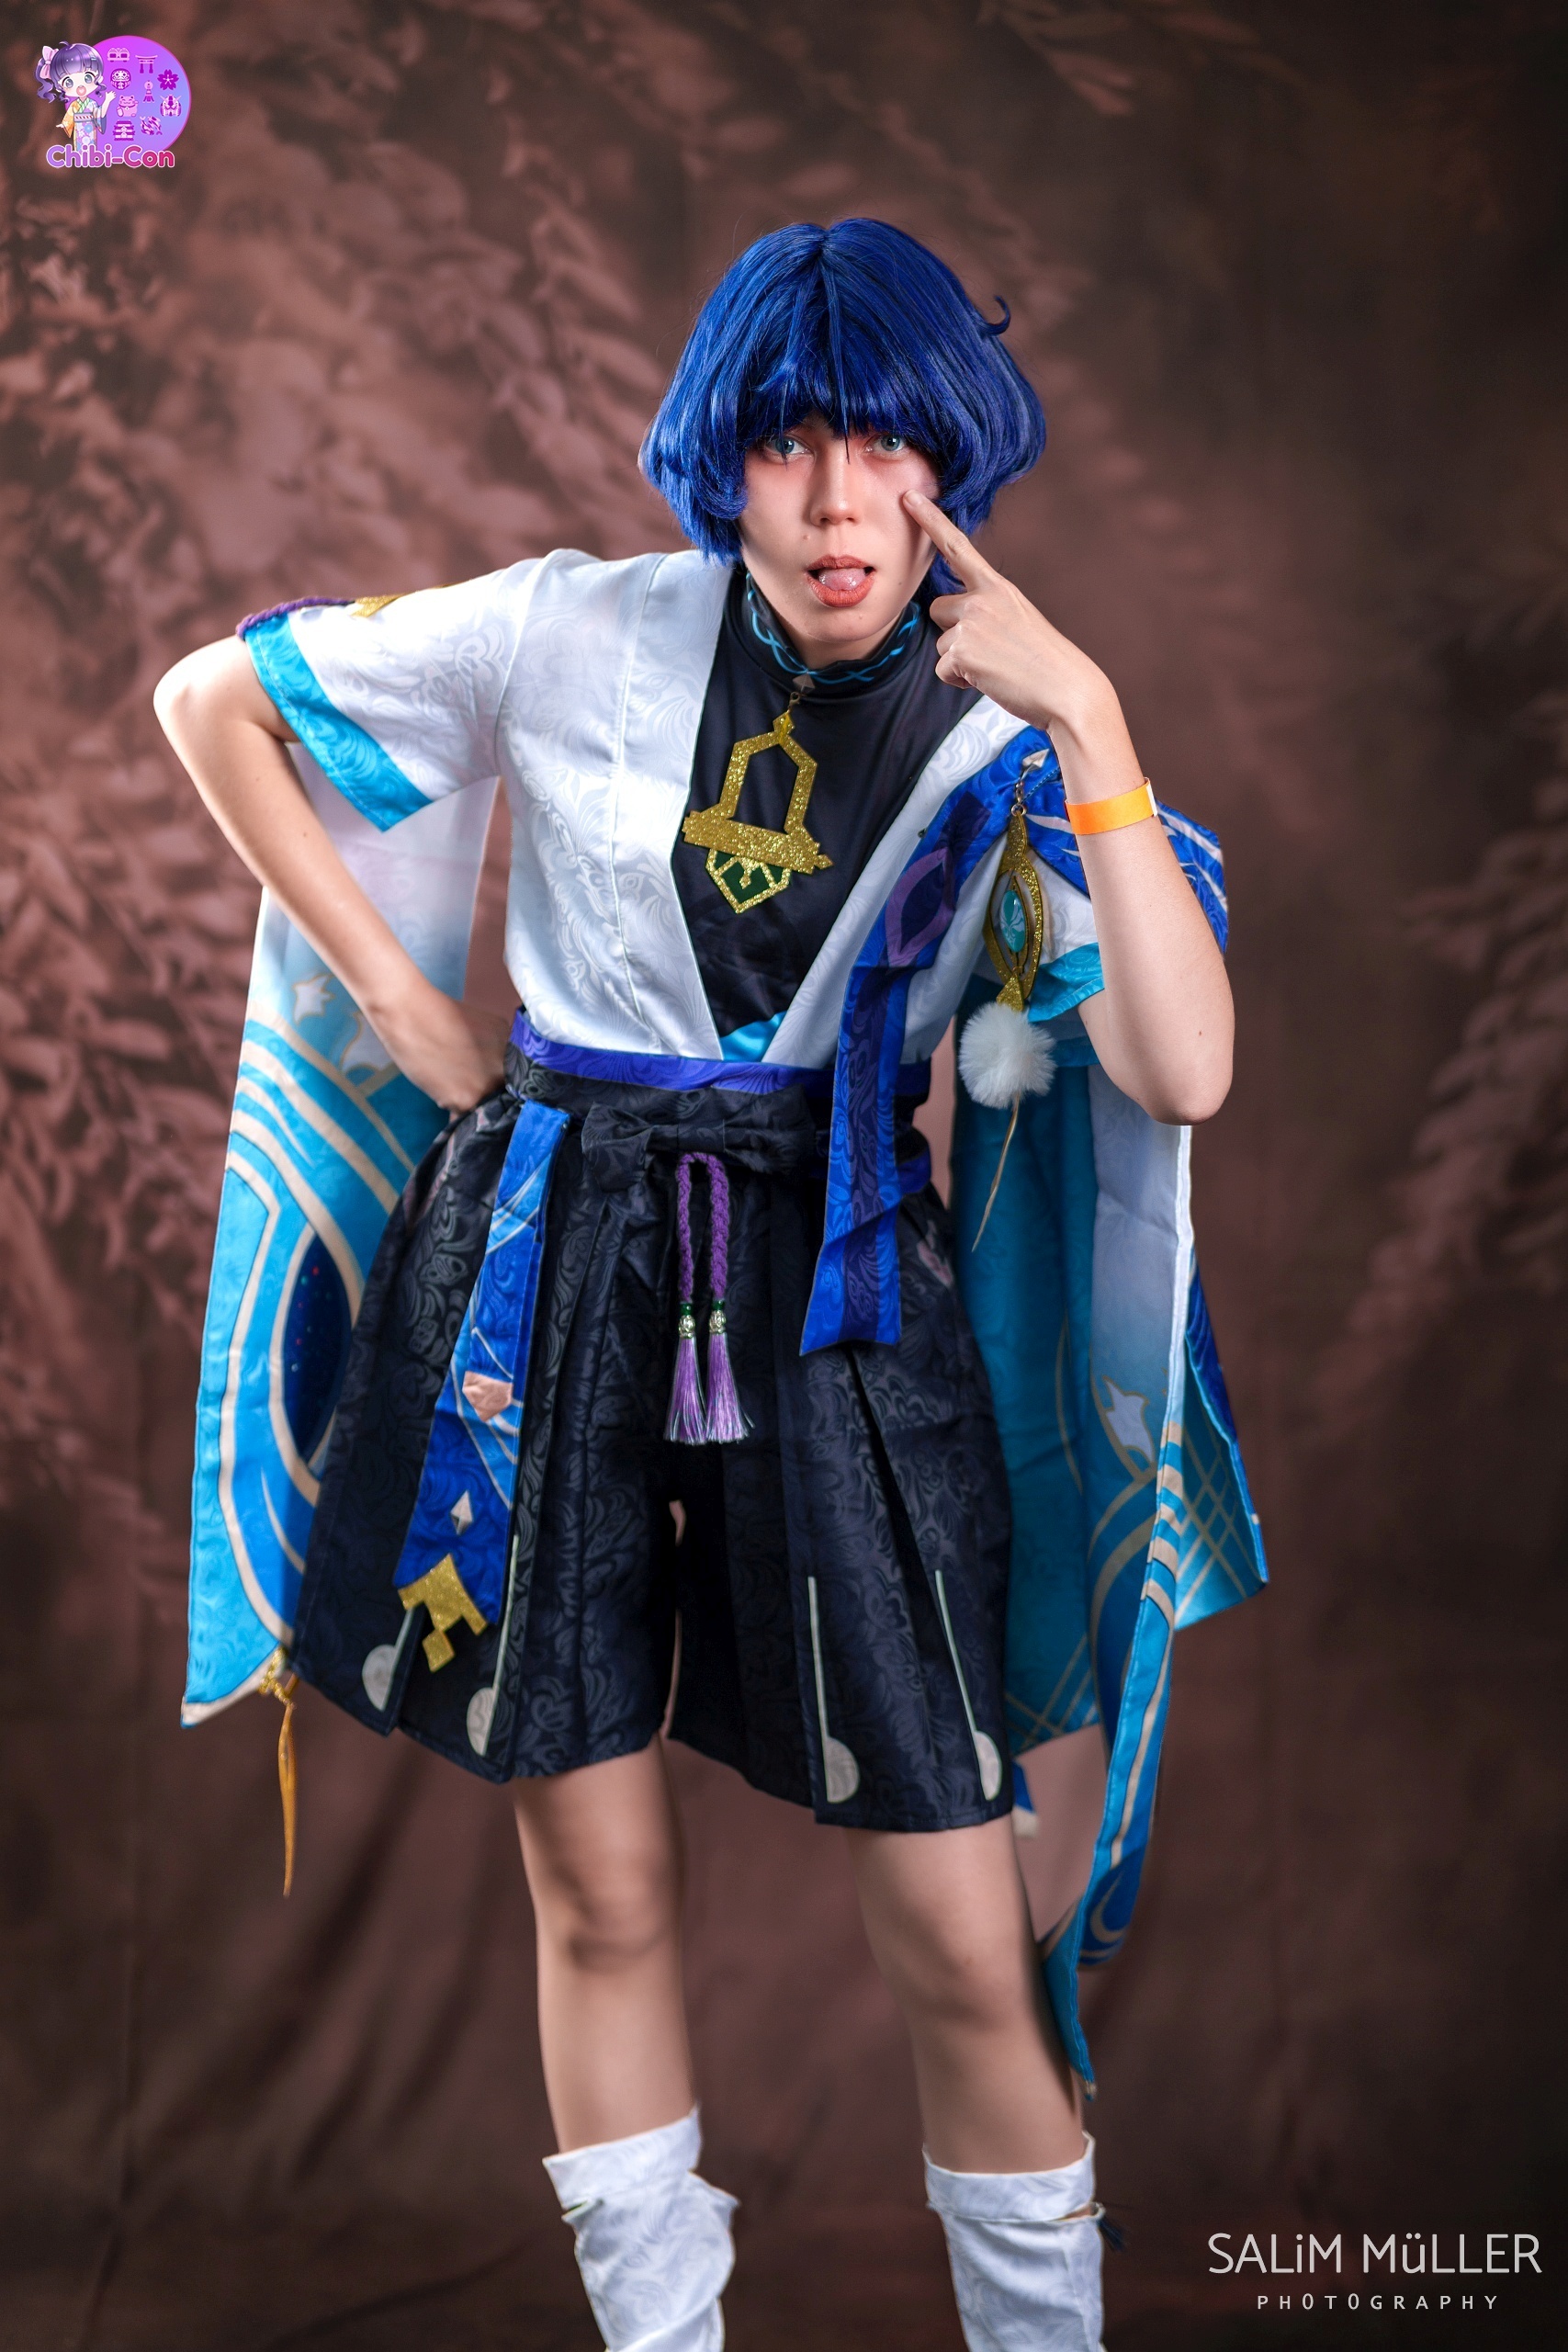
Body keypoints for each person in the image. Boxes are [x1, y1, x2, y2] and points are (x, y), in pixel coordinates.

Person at [156, 219, 1263, 2352]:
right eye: (786, 442)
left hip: (836, 1284)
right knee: (598, 1885)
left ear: (949, 457)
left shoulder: (1003, 734)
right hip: (541, 1271)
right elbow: (214, 697)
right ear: (718, 460)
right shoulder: (571, 627)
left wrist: (1094, 715)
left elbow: (1182, 1066)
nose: (837, 500)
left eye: (884, 443)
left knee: (960, 1925)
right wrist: (400, 1001)